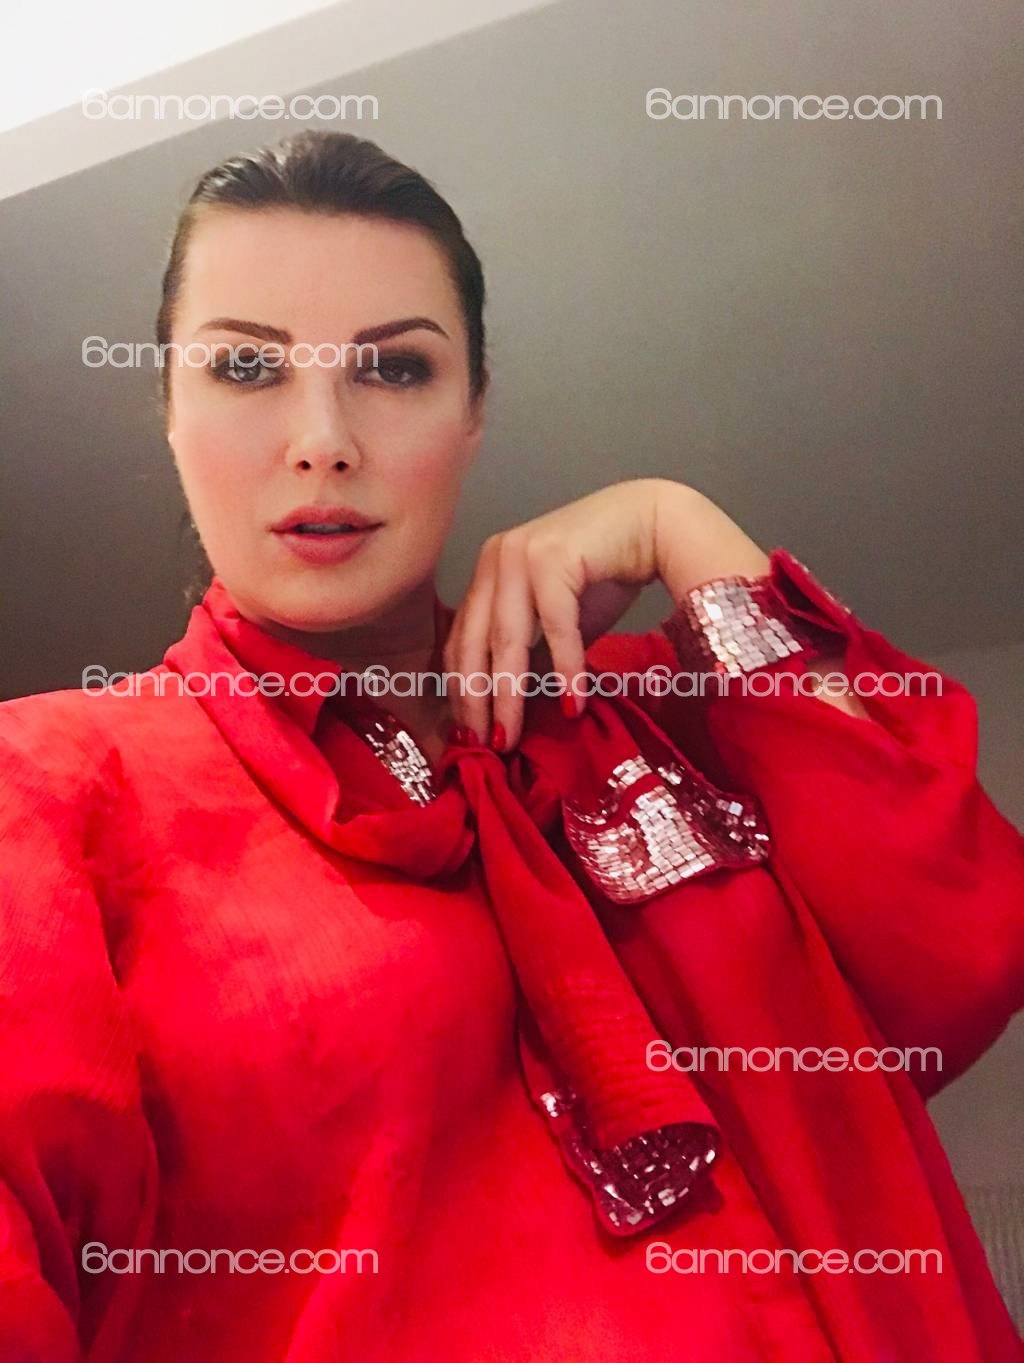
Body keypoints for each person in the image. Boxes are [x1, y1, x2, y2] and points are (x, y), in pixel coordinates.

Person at [1, 130, 1021, 1363]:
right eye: (245, 367)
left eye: (394, 367)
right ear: (168, 410)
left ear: (475, 409)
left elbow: (953, 941)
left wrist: (678, 522)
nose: (322, 438)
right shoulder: (52, 787)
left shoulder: (646, 714)